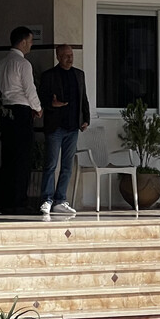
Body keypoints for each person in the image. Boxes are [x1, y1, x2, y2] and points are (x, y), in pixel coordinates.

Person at [37, 43, 90, 215]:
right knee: (51, 164)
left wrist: (86, 119)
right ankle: (47, 199)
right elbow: (41, 99)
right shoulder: (49, 76)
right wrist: (52, 104)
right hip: (55, 126)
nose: (70, 58)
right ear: (58, 57)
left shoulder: (79, 75)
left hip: (73, 126)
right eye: (66, 56)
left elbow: (83, 98)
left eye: (71, 55)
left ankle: (60, 200)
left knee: (67, 166)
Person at [0, 26, 42, 214]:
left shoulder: (1, 63)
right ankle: (19, 202)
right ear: (22, 42)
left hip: (5, 111)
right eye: (30, 41)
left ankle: (6, 201)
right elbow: (29, 89)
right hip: (21, 111)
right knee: (22, 157)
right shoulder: (23, 64)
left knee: (8, 155)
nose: (30, 45)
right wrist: (37, 108)